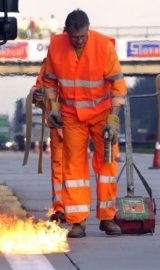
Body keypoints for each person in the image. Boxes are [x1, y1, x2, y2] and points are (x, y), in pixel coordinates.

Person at [43, 9, 127, 238]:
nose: (79, 41)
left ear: (88, 29)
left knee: (108, 165)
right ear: (68, 32)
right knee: (73, 167)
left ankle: (107, 217)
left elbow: (118, 85)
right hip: (71, 116)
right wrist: (54, 107)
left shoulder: (103, 46)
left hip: (101, 115)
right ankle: (77, 221)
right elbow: (49, 81)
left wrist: (113, 118)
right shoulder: (56, 46)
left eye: (82, 36)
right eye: (75, 37)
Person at [31, 58, 65, 223]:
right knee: (58, 167)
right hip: (57, 124)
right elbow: (38, 89)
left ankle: (75, 210)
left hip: (79, 123)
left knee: (76, 169)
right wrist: (36, 94)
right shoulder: (51, 60)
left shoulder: (87, 57)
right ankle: (60, 208)